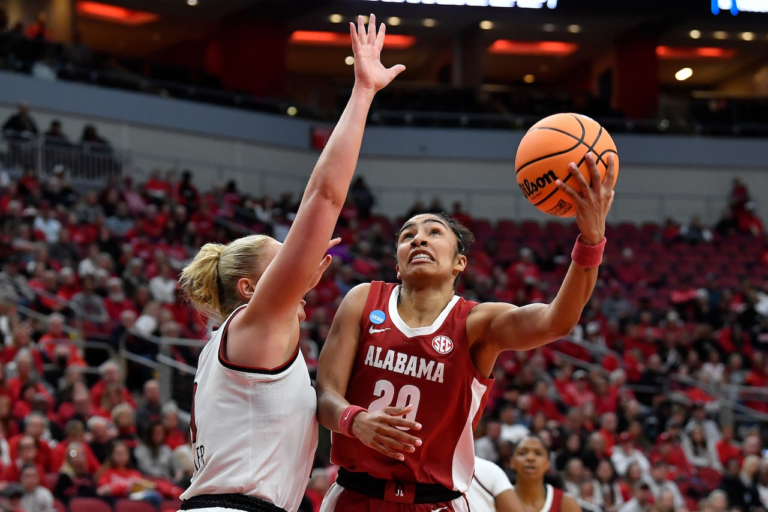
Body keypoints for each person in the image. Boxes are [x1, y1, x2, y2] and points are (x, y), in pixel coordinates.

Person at [178, 16, 405, 512]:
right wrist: (363, 92)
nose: (299, 272)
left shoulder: (235, 344)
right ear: (248, 287)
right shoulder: (257, 322)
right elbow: (324, 195)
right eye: (284, 265)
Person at [317, 134, 615, 511]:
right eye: (408, 236)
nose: (418, 239)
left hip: (435, 502)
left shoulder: (478, 322)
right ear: (397, 263)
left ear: (460, 263)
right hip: (355, 494)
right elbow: (326, 394)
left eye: (434, 233)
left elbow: (557, 321)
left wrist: (591, 239)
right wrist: (354, 421)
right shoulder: (363, 299)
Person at [509, 436, 580, 512]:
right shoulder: (499, 501)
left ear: (548, 463)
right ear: (512, 462)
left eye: (538, 453)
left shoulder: (565, 502)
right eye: (522, 453)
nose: (530, 458)